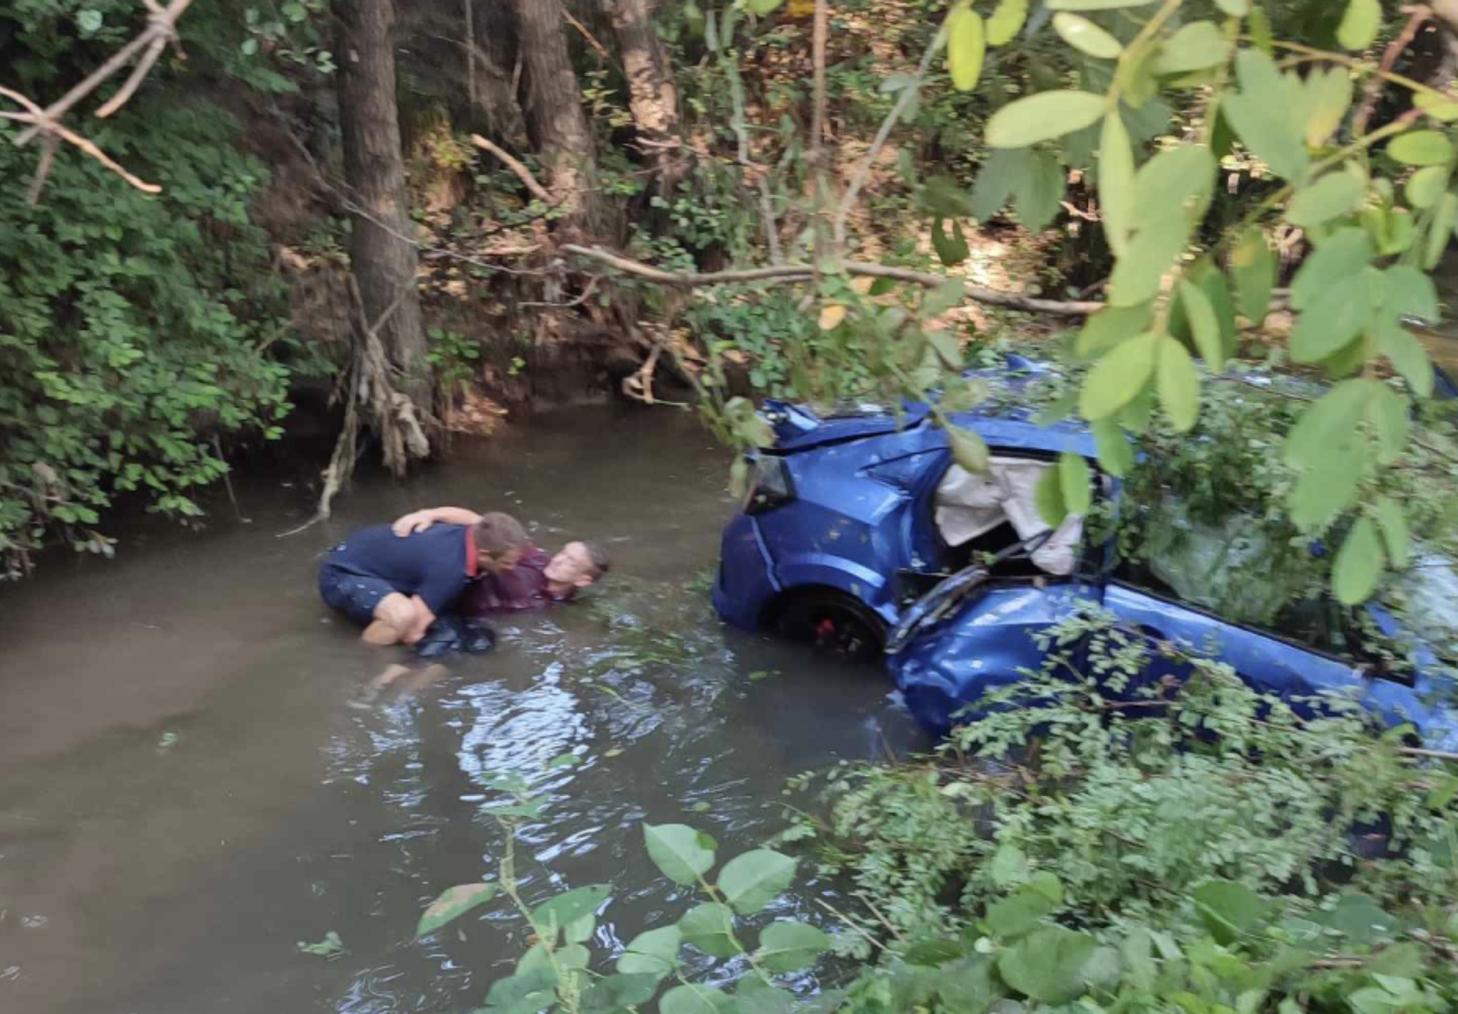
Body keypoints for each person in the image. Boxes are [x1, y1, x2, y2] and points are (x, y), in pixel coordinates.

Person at [319, 512, 529, 646]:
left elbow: (469, 516)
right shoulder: (451, 571)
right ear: (483, 554)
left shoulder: (479, 531)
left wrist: (429, 513)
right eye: (506, 563)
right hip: (342, 574)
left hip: (357, 549)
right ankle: (361, 657)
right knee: (403, 617)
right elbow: (413, 633)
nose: (512, 568)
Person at [392, 506, 610, 613]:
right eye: (563, 552)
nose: (558, 560)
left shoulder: (561, 606)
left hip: (459, 613)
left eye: (570, 562)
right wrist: (428, 514)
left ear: (583, 580)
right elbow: (482, 523)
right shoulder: (534, 558)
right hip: (439, 588)